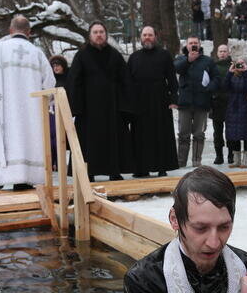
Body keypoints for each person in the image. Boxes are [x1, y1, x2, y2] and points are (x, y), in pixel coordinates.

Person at [0, 16, 55, 190]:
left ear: (10, 31)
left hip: (6, 108)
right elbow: (49, 84)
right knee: (30, 139)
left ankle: (3, 177)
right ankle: (26, 178)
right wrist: (44, 102)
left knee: (7, 140)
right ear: (29, 32)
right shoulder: (37, 53)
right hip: (32, 111)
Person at [69, 21, 134, 181]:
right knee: (88, 141)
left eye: (101, 32)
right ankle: (88, 172)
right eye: (95, 32)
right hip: (89, 108)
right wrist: (76, 107)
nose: (99, 35)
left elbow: (125, 80)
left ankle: (114, 171)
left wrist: (125, 106)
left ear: (106, 35)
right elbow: (74, 81)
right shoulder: (81, 55)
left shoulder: (115, 55)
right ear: (90, 36)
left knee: (114, 139)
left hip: (112, 106)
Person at [127, 26, 179, 178]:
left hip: (159, 101)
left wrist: (173, 98)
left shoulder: (164, 55)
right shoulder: (134, 57)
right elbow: (127, 81)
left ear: (155, 37)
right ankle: (141, 168)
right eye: (145, 35)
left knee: (160, 134)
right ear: (140, 37)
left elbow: (172, 79)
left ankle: (162, 167)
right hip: (139, 102)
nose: (147, 37)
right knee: (140, 136)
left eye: (150, 35)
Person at [174, 36, 220, 168]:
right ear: (186, 45)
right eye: (191, 43)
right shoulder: (181, 59)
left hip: (202, 102)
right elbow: (176, 69)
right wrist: (189, 60)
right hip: (184, 103)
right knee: (183, 134)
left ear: (199, 45)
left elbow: (216, 78)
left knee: (199, 134)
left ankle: (196, 161)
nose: (193, 45)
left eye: (195, 43)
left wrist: (209, 88)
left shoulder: (208, 61)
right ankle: (181, 161)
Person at [224, 57, 247, 168]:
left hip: (246, 107)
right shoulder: (232, 75)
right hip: (233, 108)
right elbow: (225, 87)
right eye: (238, 64)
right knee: (234, 134)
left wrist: (246, 72)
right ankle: (236, 160)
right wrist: (229, 73)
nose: (240, 66)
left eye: (242, 63)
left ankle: (245, 160)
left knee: (246, 134)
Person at [210, 44, 232, 165]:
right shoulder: (213, 67)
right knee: (217, 132)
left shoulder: (233, 66)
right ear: (217, 53)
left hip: (230, 103)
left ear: (228, 53)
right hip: (217, 103)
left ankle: (231, 154)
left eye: (225, 51)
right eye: (220, 51)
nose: (223, 53)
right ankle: (219, 155)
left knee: (231, 131)